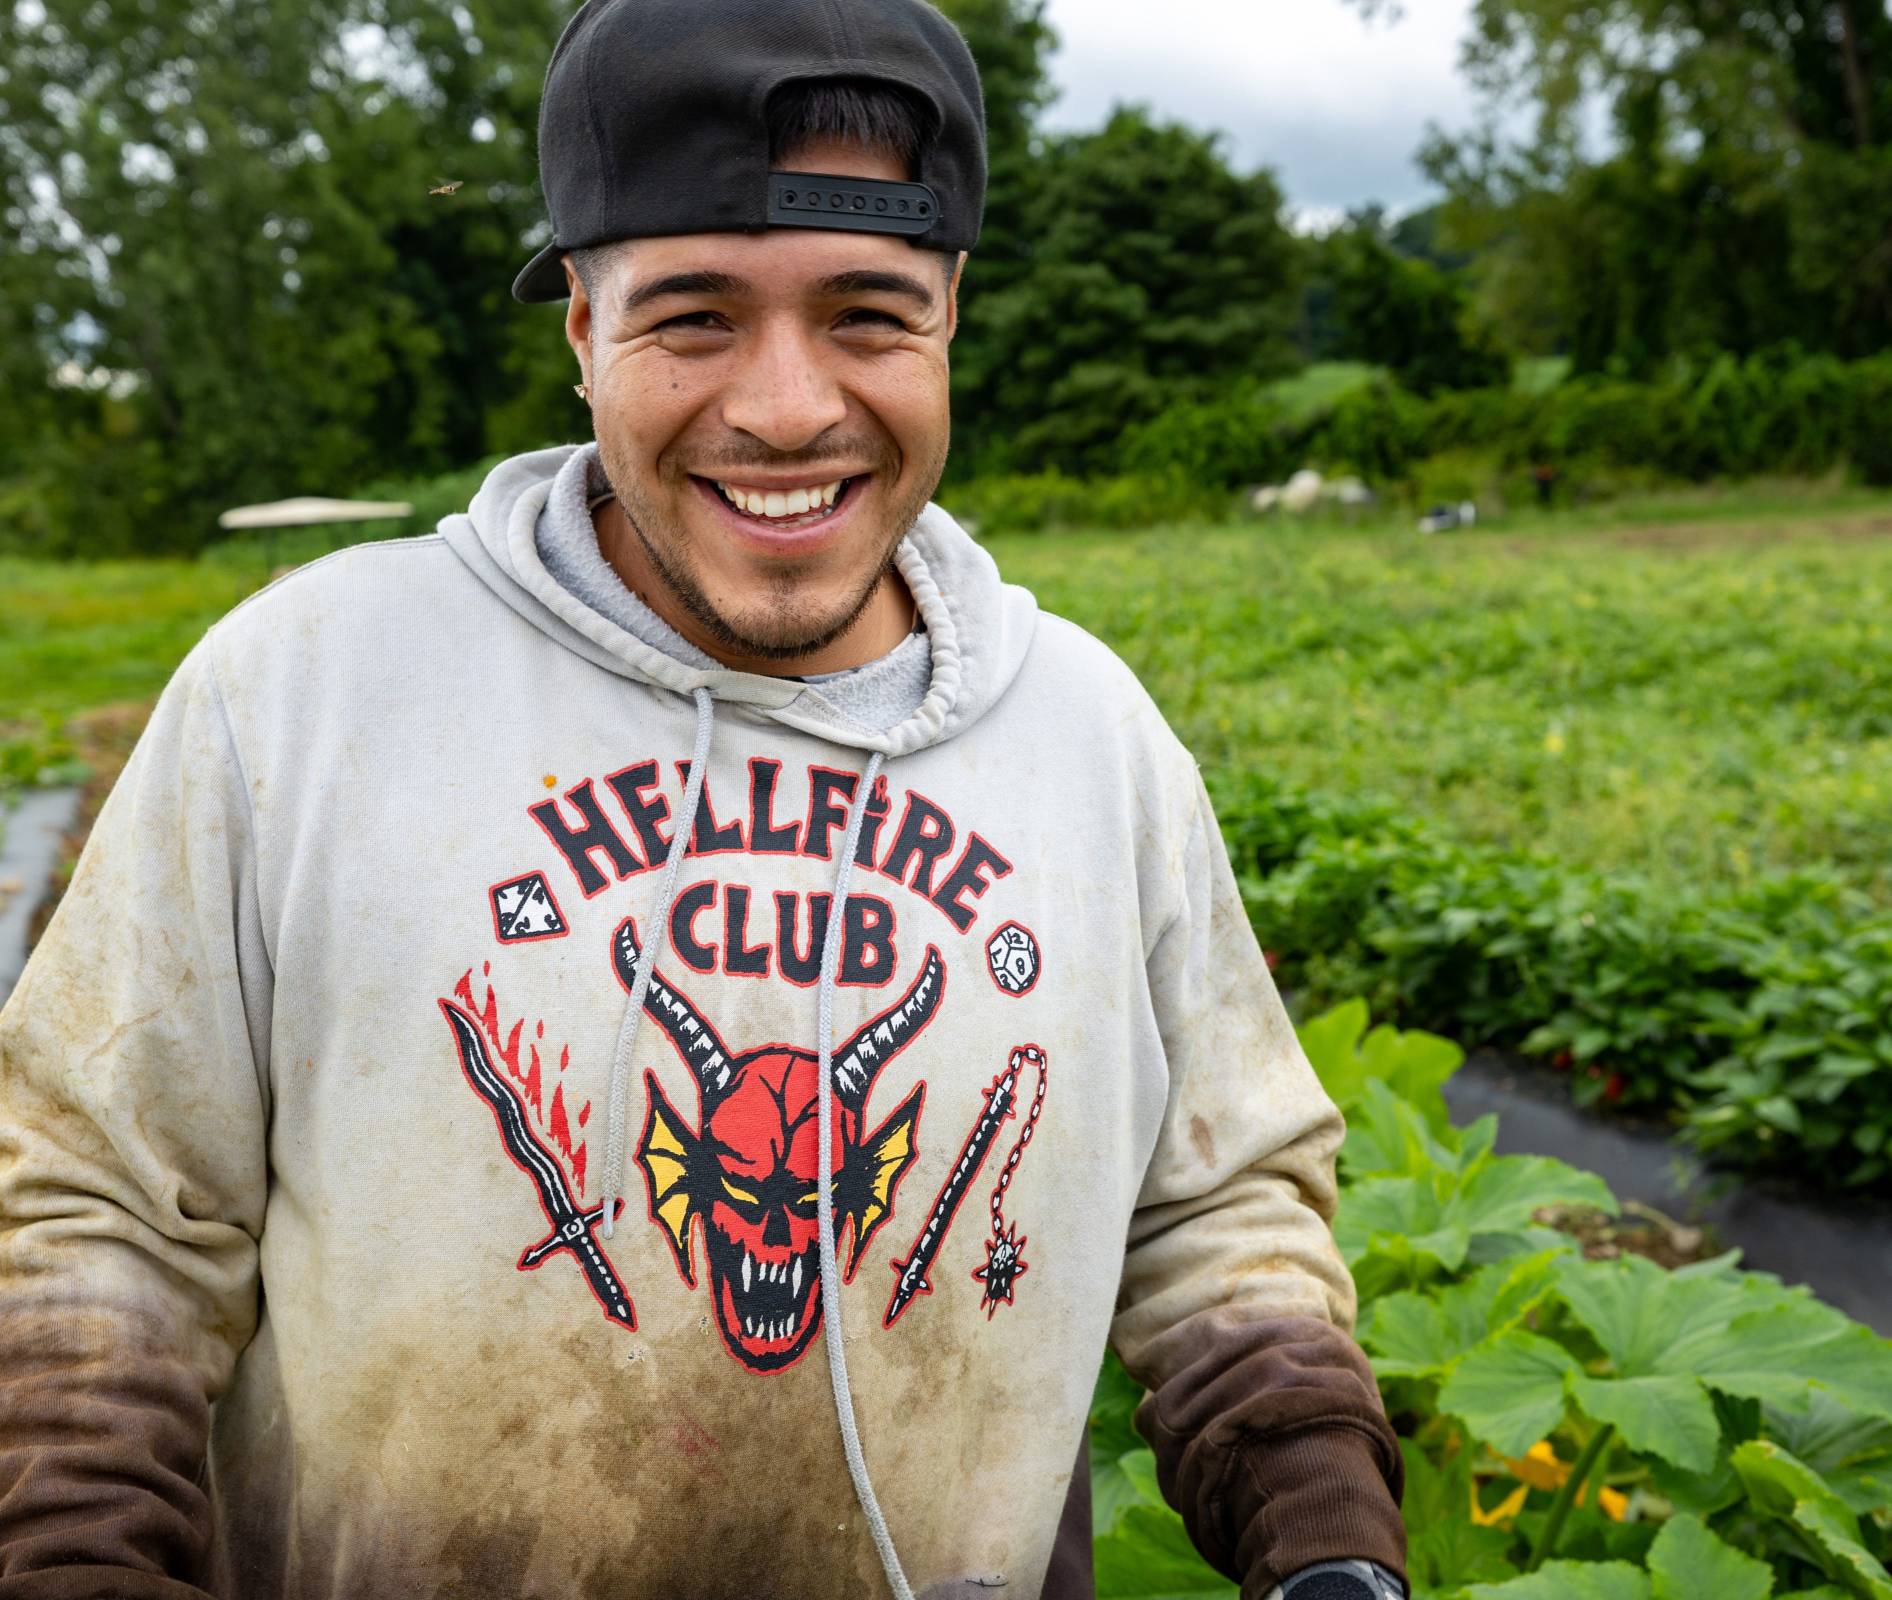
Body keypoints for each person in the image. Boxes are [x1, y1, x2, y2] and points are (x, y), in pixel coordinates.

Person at [0, 1, 1408, 1596]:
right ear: (582, 331)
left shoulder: (1090, 736)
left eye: (868, 313)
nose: (790, 407)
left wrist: (1325, 1547)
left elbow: (1219, 1217)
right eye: (695, 318)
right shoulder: (302, 696)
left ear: (952, 317)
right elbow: (100, 1224)